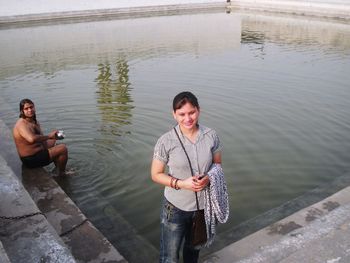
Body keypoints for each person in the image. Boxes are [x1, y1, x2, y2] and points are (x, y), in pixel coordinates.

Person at [151, 91, 222, 263]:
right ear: (174, 114)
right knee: (170, 256)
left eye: (192, 112)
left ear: (199, 110)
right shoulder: (166, 141)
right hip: (175, 208)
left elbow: (217, 166)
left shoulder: (211, 135)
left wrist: (208, 178)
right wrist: (182, 183)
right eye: (182, 114)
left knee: (193, 251)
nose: (187, 118)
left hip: (203, 207)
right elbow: (155, 174)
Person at [13, 98, 68, 176]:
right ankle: (62, 173)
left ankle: (58, 168)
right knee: (63, 148)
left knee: (53, 141)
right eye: (26, 109)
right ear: (22, 111)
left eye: (31, 107)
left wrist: (53, 137)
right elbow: (31, 139)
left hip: (38, 152)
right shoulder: (21, 124)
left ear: (34, 107)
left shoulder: (34, 121)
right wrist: (49, 136)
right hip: (30, 159)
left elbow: (41, 139)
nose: (30, 110)